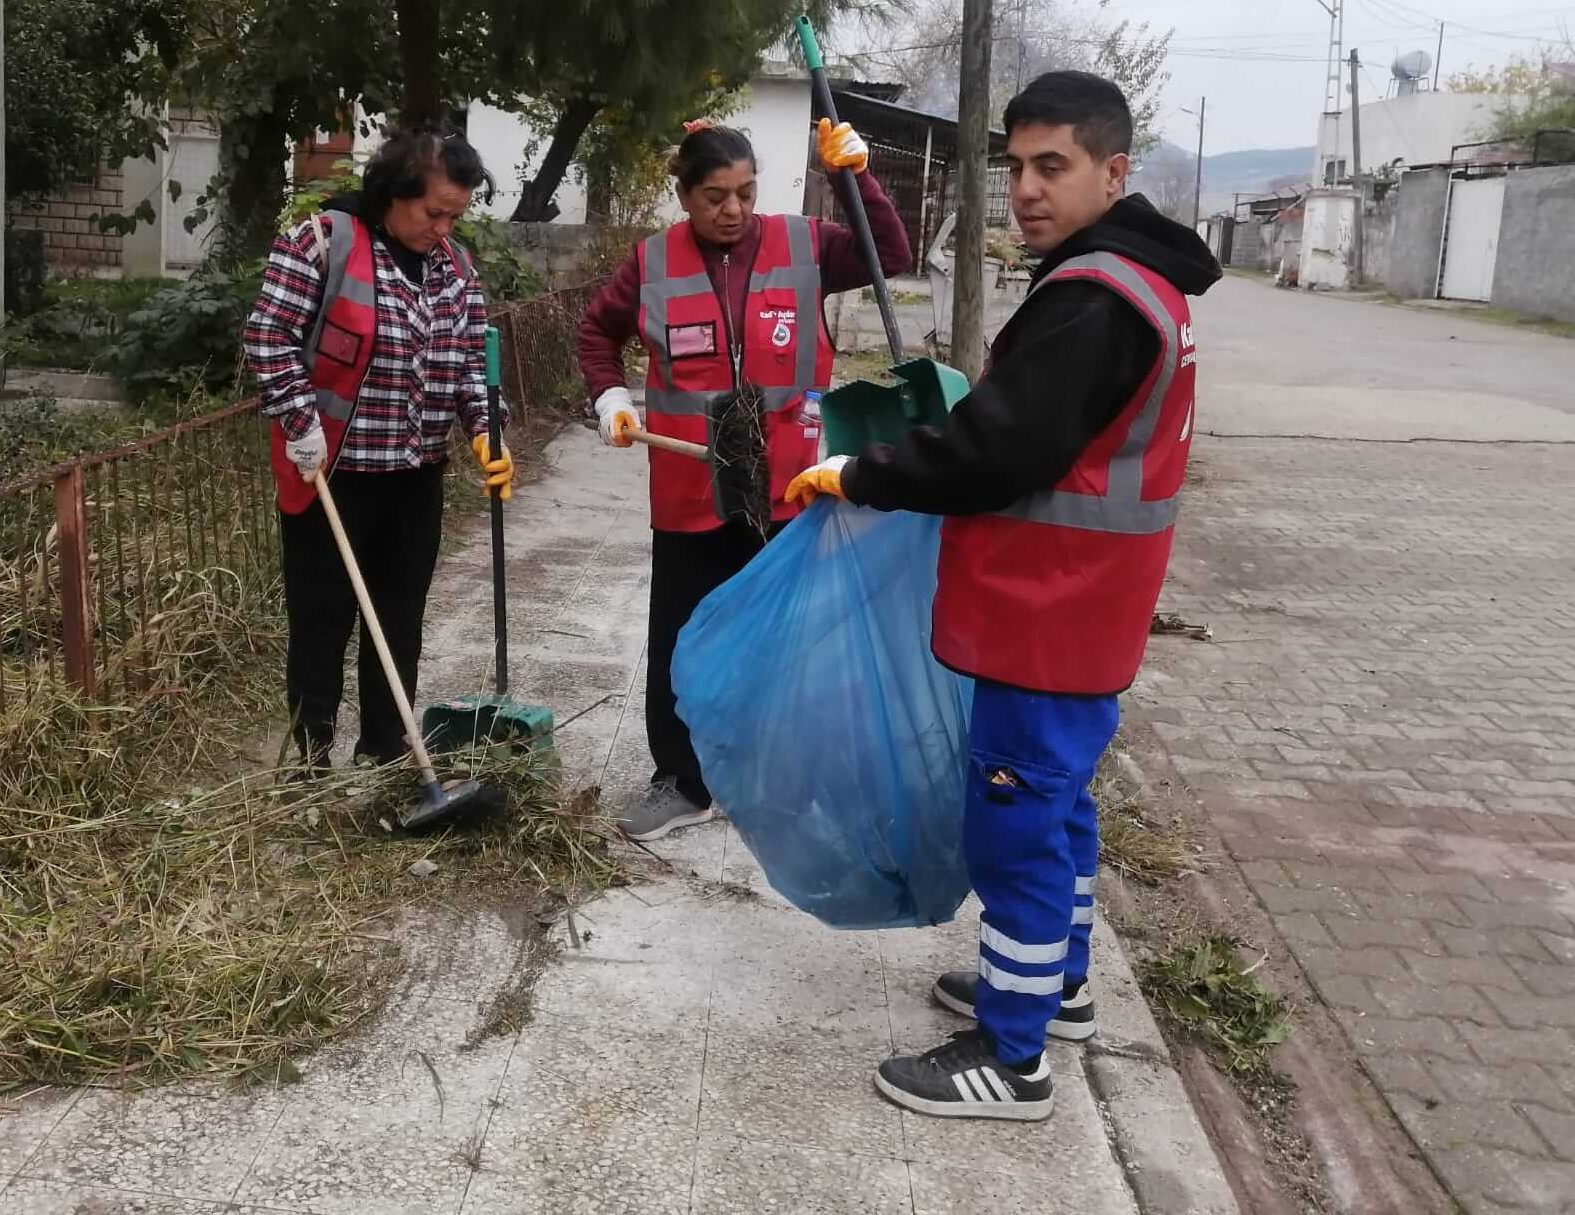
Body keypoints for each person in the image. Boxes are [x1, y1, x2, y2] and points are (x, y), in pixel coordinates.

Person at [785, 70, 1222, 1122]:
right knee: (1060, 816)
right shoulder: (1132, 283)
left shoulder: (1091, 298)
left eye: (1050, 166)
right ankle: (1054, 986)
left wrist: (863, 474)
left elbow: (996, 451)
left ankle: (1011, 1054)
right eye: (1014, 167)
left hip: (1047, 613)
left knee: (1013, 831)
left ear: (1112, 172)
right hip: (1083, 617)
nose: (1024, 189)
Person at [579, 116, 914, 841]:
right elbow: (595, 331)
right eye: (713, 196)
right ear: (684, 195)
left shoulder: (806, 245)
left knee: (788, 640)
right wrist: (607, 395)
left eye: (745, 191)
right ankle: (682, 781)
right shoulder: (650, 264)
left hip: (787, 490)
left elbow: (891, 253)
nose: (732, 209)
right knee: (680, 636)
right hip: (689, 488)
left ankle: (776, 777)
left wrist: (858, 177)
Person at [242, 128, 513, 775]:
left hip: (415, 475)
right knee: (322, 620)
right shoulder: (324, 243)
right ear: (395, 193)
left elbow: (472, 364)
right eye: (434, 212)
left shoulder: (456, 268)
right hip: (332, 475)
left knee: (400, 616)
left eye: (457, 214)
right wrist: (300, 420)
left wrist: (485, 431)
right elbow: (268, 336)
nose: (444, 228)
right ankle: (307, 759)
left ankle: (386, 750)